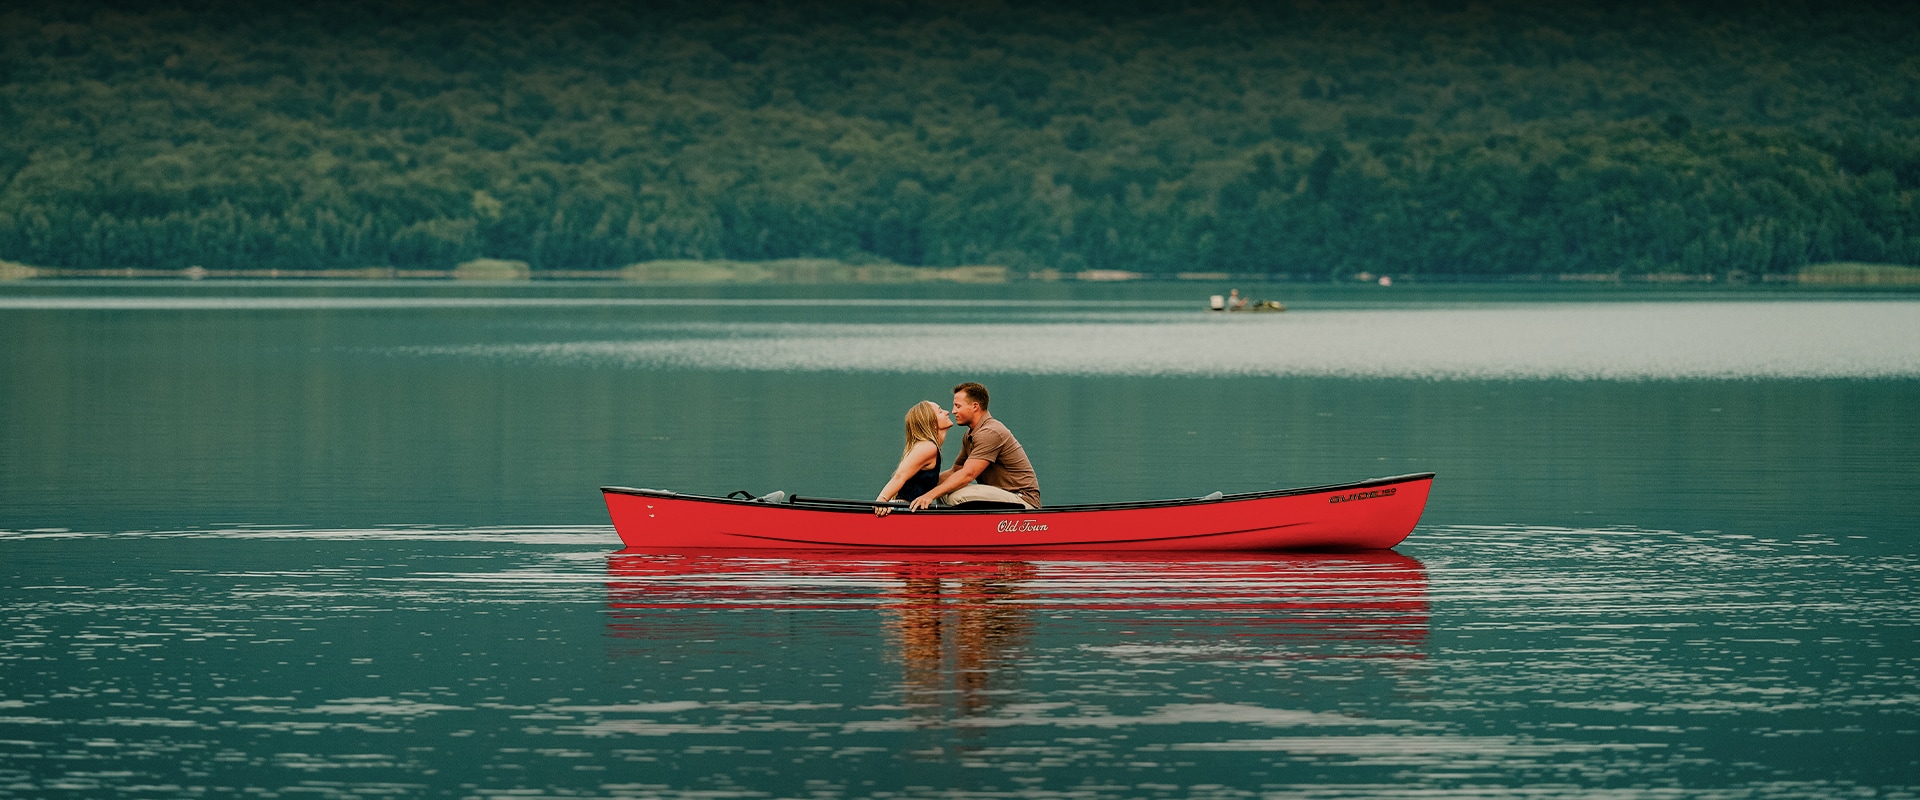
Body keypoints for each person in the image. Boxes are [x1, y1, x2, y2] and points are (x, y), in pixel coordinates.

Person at [908, 382, 1041, 511]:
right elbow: (956, 471)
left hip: (1023, 500)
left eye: (958, 406)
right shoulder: (971, 434)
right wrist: (916, 491)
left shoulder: (990, 432)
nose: (953, 411)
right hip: (1001, 496)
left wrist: (929, 495)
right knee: (944, 490)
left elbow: (968, 474)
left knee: (956, 496)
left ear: (975, 406)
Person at [874, 401, 952, 517]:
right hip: (904, 509)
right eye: (940, 411)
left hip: (908, 508)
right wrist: (882, 500)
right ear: (932, 423)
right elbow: (900, 476)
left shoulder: (927, 446)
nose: (947, 412)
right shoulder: (928, 447)